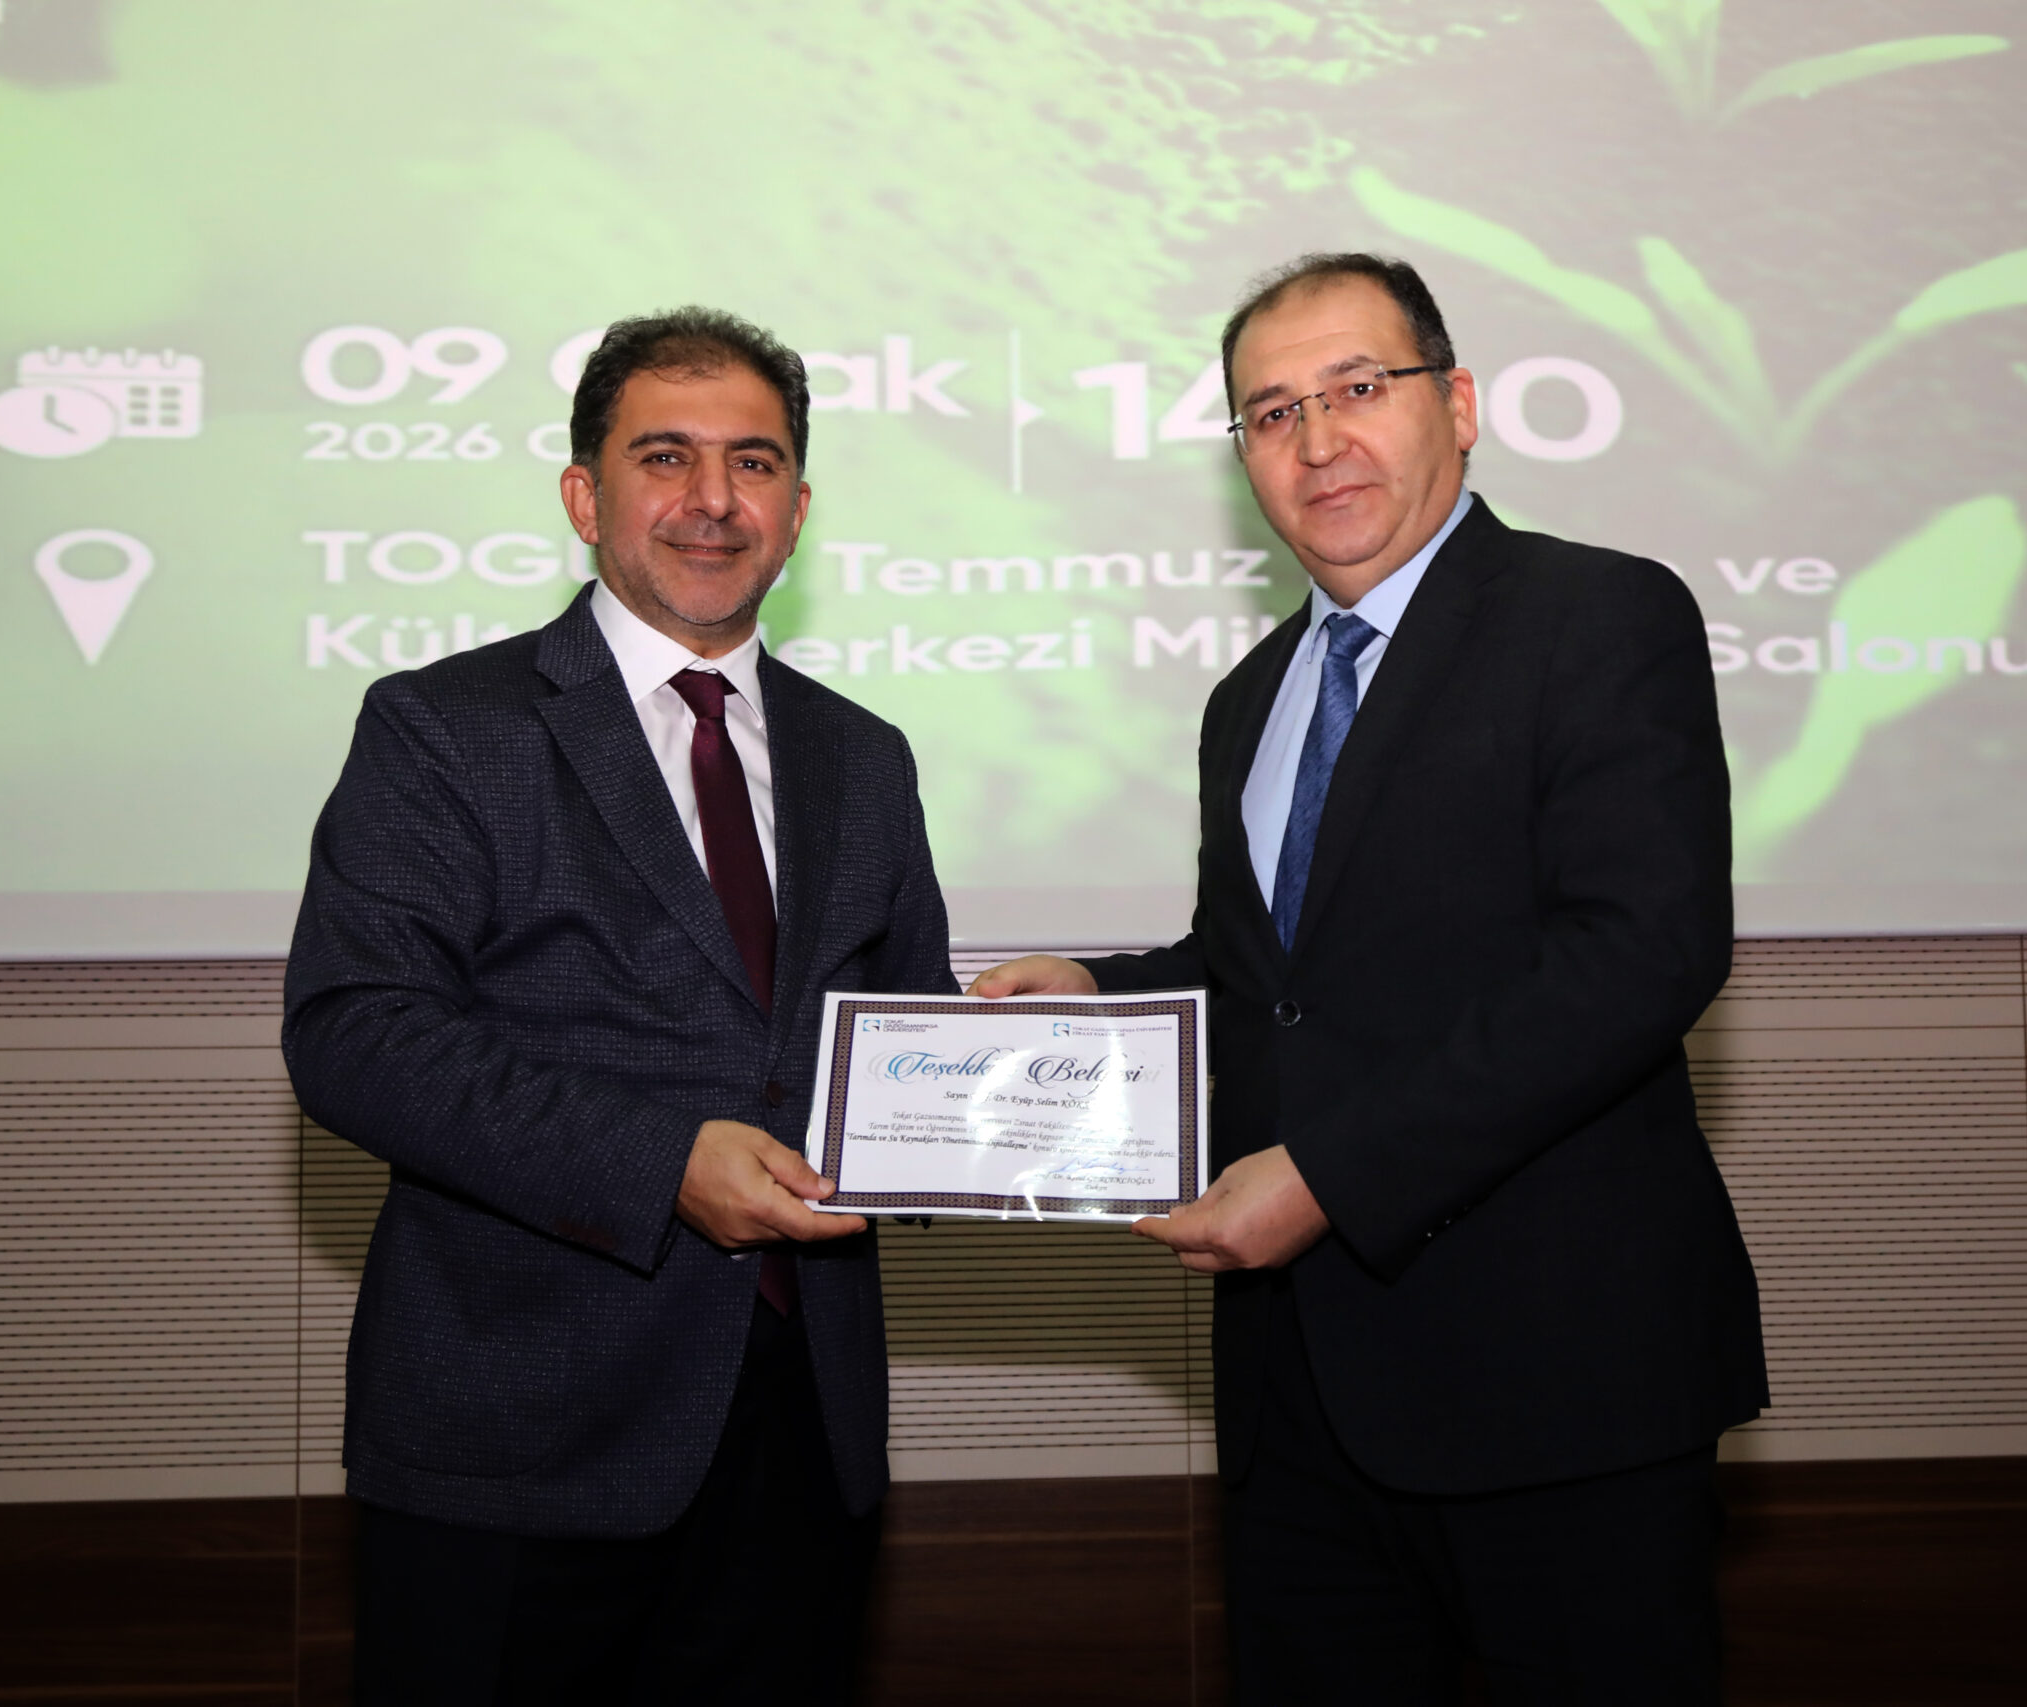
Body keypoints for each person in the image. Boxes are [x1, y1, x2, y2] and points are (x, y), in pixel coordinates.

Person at [972, 254, 1768, 1703]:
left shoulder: (1596, 615)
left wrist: (1331, 1178)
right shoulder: (1248, 699)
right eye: (1272, 413)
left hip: (1560, 1381)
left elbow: (1642, 953)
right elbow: (1270, 981)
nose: (1319, 439)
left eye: (1357, 388)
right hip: (1299, 1404)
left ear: (1455, 405)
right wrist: (1096, 990)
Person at [284, 307, 957, 1706]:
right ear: (586, 497)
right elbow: (357, 1033)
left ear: (798, 509)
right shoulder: (444, 727)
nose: (714, 498)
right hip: (518, 1439)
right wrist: (663, 1165)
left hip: (798, 1440)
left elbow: (902, 1046)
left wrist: (1035, 1088)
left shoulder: (865, 757)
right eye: (666, 457)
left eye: (754, 462)